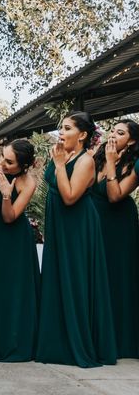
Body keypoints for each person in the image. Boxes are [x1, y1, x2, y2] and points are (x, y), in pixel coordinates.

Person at [35, 111, 116, 367]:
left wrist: (59, 166)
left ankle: (79, 344)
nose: (61, 132)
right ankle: (56, 344)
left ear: (82, 135)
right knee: (57, 278)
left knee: (76, 280)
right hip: (59, 226)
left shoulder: (85, 161)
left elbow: (70, 196)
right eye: (61, 127)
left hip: (78, 227)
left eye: (67, 128)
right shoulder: (60, 154)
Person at [0, 139, 40, 362]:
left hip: (13, 239)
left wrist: (6, 195)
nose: (3, 164)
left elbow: (10, 217)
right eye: (3, 157)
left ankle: (10, 341)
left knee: (10, 289)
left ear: (24, 166)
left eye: (10, 162)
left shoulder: (27, 182)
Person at [91, 119, 139, 359]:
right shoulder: (97, 157)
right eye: (112, 130)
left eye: (120, 133)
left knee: (116, 277)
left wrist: (111, 164)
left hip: (118, 225)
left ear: (131, 140)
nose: (112, 136)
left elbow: (115, 195)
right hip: (94, 224)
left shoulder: (134, 164)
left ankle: (119, 341)